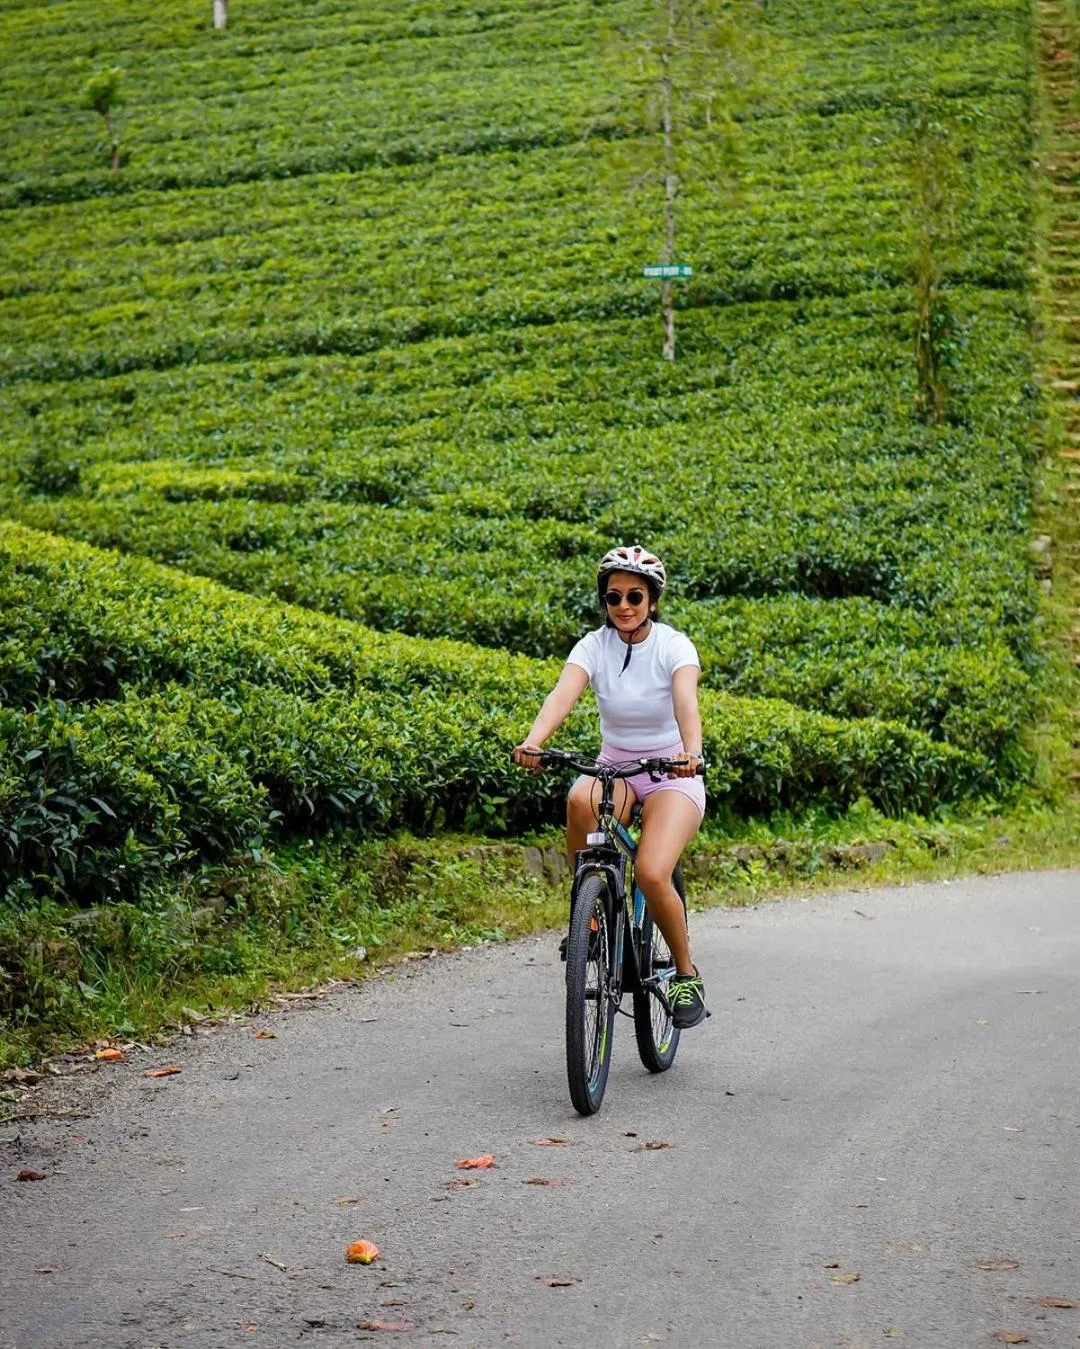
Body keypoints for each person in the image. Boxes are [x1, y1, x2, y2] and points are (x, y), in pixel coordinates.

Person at [513, 544, 708, 1029]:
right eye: (613, 596)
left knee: (652, 873)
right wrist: (534, 741)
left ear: (652, 602)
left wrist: (691, 752)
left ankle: (686, 974)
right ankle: (591, 915)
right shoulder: (593, 646)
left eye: (634, 597)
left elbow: (686, 701)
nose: (623, 606)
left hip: (670, 771)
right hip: (615, 765)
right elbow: (562, 694)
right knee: (580, 800)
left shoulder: (674, 646)